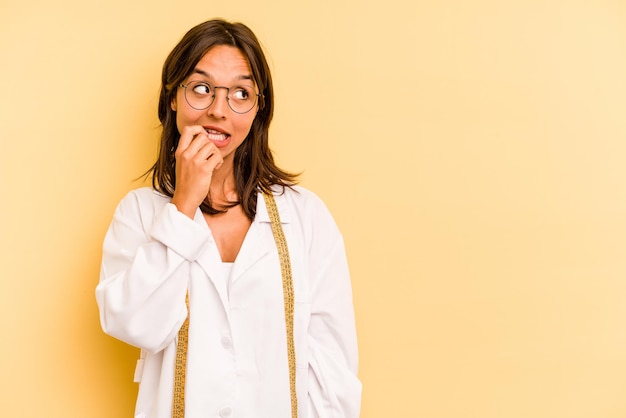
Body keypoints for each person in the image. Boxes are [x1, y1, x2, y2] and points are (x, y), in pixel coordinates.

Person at [95, 19, 361, 418]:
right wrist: (182, 207)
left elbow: (332, 368)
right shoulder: (139, 213)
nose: (219, 111)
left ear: (258, 108)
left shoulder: (306, 217)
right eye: (201, 89)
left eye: (240, 93)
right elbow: (135, 325)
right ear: (173, 97)